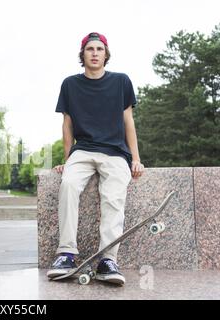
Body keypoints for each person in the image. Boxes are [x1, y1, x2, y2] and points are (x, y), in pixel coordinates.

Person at [46, 32, 145, 285]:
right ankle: (66, 253)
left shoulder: (121, 82)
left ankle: (107, 260)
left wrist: (135, 157)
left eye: (99, 49)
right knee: (68, 185)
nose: (94, 53)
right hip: (83, 150)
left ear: (106, 54)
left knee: (113, 196)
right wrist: (67, 159)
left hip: (115, 152)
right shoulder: (70, 84)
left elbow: (128, 121)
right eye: (90, 49)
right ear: (83, 54)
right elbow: (67, 125)